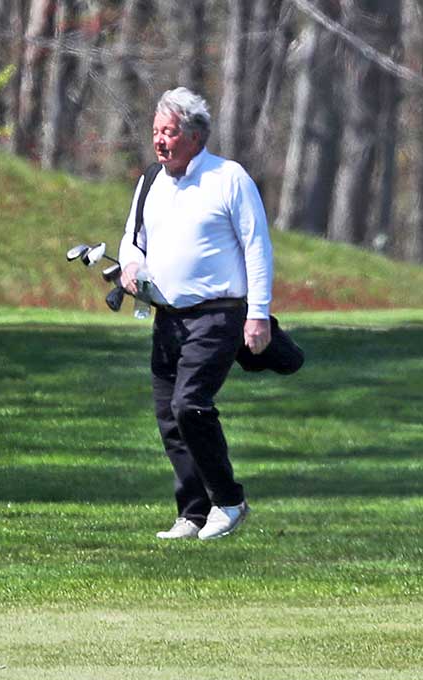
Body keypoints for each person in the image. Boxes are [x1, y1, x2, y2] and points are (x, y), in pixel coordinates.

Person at [117, 87, 274, 541]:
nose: (159, 141)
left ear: (194, 135)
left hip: (218, 315)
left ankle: (229, 501)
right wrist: (130, 266)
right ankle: (194, 512)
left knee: (190, 405)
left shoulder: (229, 178)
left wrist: (258, 314)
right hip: (167, 318)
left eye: (168, 132)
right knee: (168, 416)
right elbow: (133, 238)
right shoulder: (151, 180)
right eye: (155, 132)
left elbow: (256, 248)